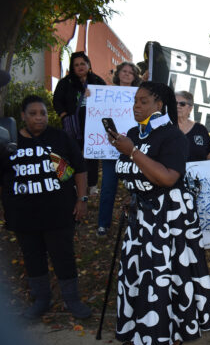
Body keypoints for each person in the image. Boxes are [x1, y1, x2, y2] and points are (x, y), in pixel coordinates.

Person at [109, 81, 210, 345]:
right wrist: (132, 195)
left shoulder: (172, 136)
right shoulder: (134, 133)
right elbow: (136, 175)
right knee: (136, 276)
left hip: (168, 219)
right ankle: (138, 333)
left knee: (162, 279)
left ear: (159, 105)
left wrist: (133, 152)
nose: (136, 105)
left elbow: (168, 177)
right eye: (135, 101)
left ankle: (166, 336)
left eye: (143, 101)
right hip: (141, 217)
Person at [0, 95, 91, 319]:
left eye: (42, 113)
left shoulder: (60, 138)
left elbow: (79, 169)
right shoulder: (8, 142)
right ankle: (41, 300)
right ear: (23, 116)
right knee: (32, 257)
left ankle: (72, 300)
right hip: (22, 215)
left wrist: (82, 199)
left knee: (64, 256)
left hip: (59, 212)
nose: (39, 118)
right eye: (33, 114)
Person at [96, 61, 142, 237]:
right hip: (110, 151)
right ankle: (103, 224)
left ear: (135, 76)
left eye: (131, 72)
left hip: (132, 150)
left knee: (136, 188)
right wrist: (89, 95)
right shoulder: (105, 94)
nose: (127, 74)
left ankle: (137, 222)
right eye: (124, 71)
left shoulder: (139, 96)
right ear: (118, 73)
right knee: (108, 187)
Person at [53, 51, 106, 195]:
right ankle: (74, 184)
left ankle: (92, 185)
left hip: (93, 123)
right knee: (73, 153)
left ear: (88, 65)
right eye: (76, 65)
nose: (80, 67)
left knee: (92, 155)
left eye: (83, 63)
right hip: (74, 124)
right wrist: (64, 116)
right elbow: (57, 100)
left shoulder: (97, 81)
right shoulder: (65, 82)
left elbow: (107, 98)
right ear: (72, 67)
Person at [175, 90, 210, 161]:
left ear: (190, 108)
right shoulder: (164, 127)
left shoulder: (200, 129)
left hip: (198, 171)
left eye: (182, 104)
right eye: (175, 103)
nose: (178, 106)